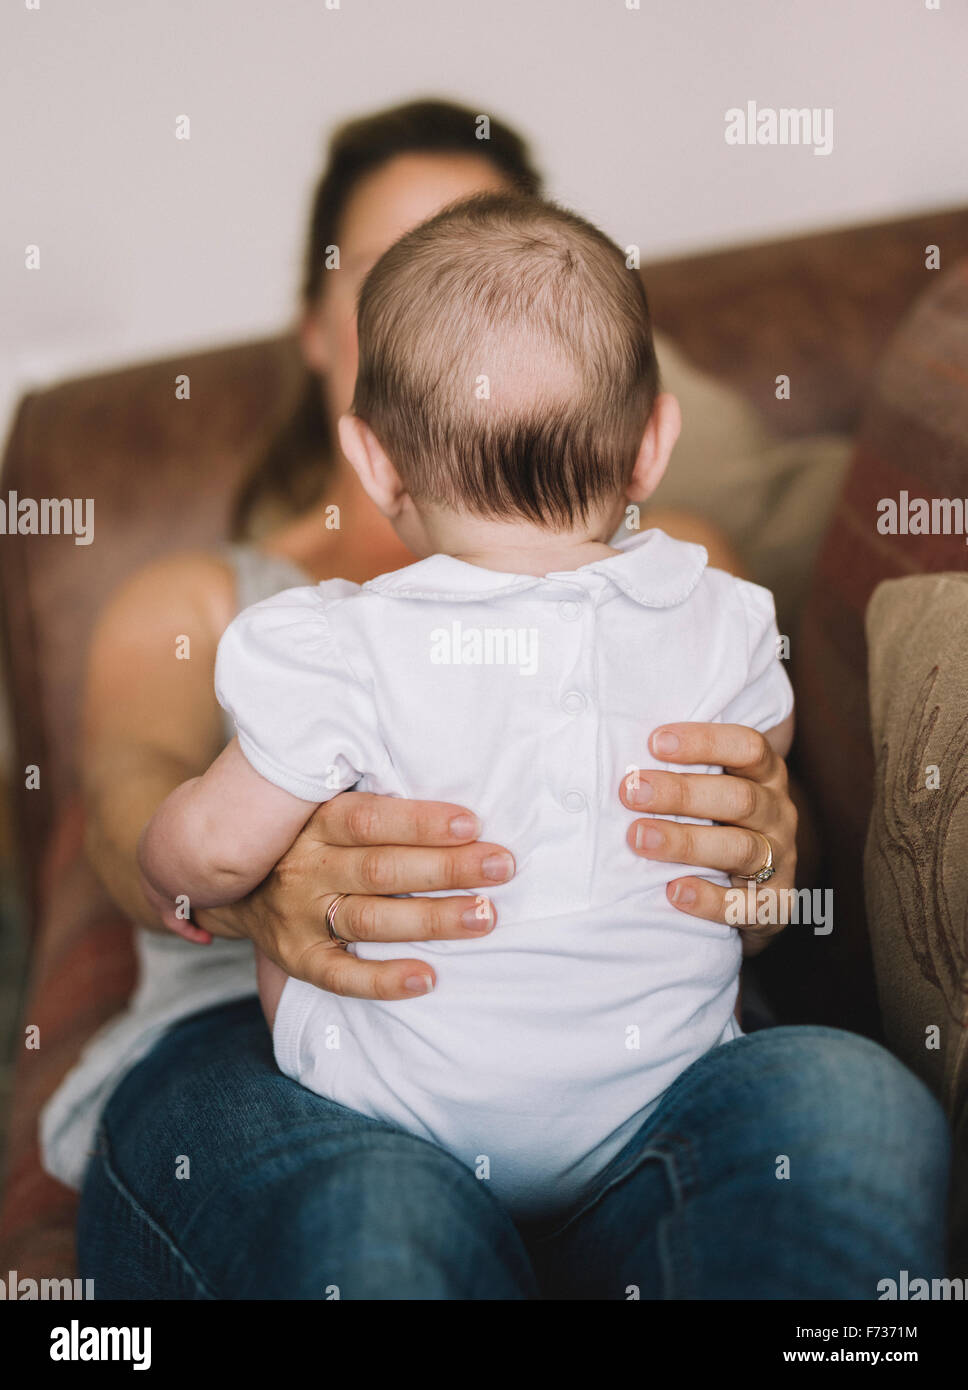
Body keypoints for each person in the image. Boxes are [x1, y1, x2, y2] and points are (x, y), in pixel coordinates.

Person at [45, 99, 947, 1299]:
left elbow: (767, 831)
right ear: (320, 324)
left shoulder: (677, 561)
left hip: (642, 1076)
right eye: (394, 270)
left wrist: (773, 847)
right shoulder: (205, 599)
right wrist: (268, 887)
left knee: (855, 1110)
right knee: (374, 1227)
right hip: (272, 1054)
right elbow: (124, 826)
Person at [138, 191, 797, 1221]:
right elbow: (760, 756)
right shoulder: (719, 615)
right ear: (652, 446)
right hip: (653, 1095)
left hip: (403, 1109)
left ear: (374, 462)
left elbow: (214, 855)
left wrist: (172, 863)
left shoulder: (335, 645)